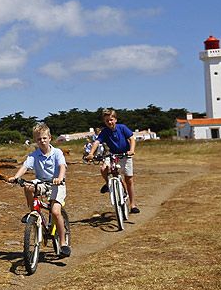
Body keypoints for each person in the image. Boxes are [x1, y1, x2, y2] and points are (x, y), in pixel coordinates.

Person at [8, 123, 71, 257]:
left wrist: (59, 178)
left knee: (55, 211)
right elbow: (25, 166)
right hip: (41, 182)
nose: (41, 141)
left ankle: (63, 242)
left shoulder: (57, 153)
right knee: (28, 186)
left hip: (57, 183)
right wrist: (16, 177)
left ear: (49, 138)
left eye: (44, 138)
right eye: (38, 139)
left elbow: (62, 166)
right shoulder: (34, 155)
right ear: (35, 141)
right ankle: (33, 214)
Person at [85, 108, 139, 213]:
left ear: (115, 119)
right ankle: (108, 184)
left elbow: (132, 138)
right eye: (107, 121)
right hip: (113, 156)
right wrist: (91, 153)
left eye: (111, 119)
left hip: (125, 155)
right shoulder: (105, 132)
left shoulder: (122, 128)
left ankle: (132, 205)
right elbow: (97, 142)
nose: (109, 122)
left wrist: (131, 150)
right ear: (104, 122)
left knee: (129, 180)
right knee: (104, 168)